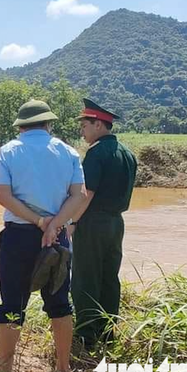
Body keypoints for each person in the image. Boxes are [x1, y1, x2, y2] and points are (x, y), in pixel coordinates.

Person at [0, 99, 86, 372]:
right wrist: (54, 224)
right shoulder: (68, 152)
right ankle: (63, 367)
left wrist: (39, 221)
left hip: (18, 236)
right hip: (57, 237)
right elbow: (78, 195)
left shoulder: (8, 151)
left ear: (20, 126)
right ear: (48, 124)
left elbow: (4, 197)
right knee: (59, 302)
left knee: (11, 304)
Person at [71, 99, 137, 349]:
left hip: (93, 223)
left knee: (86, 278)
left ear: (98, 124)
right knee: (110, 277)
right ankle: (108, 333)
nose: (82, 130)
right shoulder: (127, 154)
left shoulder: (97, 153)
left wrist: (72, 221)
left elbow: (87, 194)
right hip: (116, 224)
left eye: (85, 125)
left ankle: (86, 336)